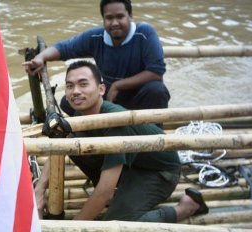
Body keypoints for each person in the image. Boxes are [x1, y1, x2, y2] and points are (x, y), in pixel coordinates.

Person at [35, 60, 208, 222]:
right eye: (70, 86)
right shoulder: (81, 113)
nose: (76, 92)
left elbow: (104, 194)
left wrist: (73, 227)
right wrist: (40, 190)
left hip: (158, 172)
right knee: (69, 140)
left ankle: (187, 208)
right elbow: (60, 146)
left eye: (83, 84)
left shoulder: (115, 121)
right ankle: (118, 188)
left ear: (101, 89)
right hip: (131, 165)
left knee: (116, 223)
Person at [23, 0, 170, 117]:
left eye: (120, 16)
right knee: (67, 102)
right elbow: (64, 48)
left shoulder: (144, 33)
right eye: (109, 18)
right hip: (109, 96)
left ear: (130, 16)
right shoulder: (96, 37)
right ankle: (91, 134)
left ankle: (152, 137)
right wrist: (41, 57)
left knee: (156, 90)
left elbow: (156, 71)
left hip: (139, 96)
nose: (114, 23)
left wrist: (118, 85)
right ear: (103, 19)